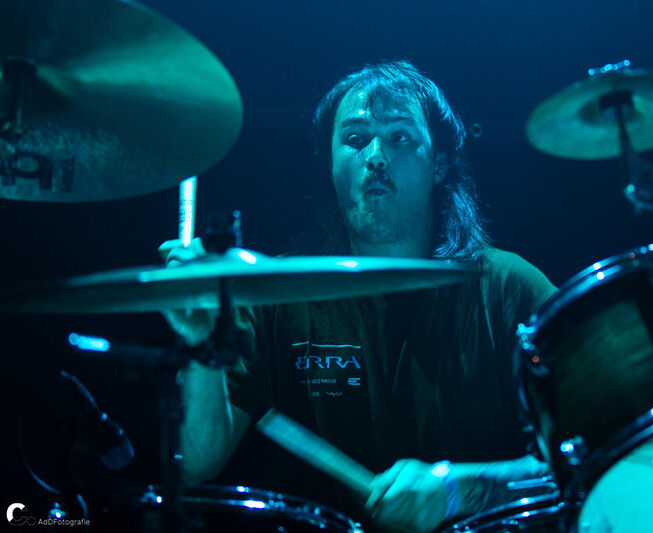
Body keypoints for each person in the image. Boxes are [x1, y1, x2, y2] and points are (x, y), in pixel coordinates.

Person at [159, 60, 557, 532]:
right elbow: (197, 463)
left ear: (439, 164)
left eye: (400, 137)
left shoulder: (511, 289)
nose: (376, 157)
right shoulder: (274, 297)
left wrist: (458, 490)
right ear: (330, 164)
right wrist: (202, 343)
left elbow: (593, 456)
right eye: (355, 138)